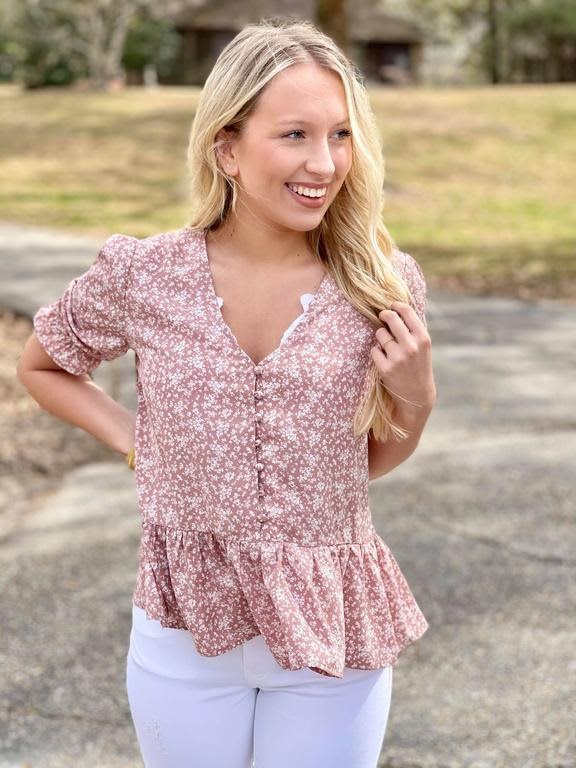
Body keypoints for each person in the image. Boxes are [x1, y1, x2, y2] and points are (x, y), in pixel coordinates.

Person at [16, 17, 436, 768]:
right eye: (295, 135)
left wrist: (417, 397)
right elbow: (44, 364)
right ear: (227, 148)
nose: (326, 162)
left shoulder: (381, 284)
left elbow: (363, 464)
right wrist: (134, 438)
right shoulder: (148, 275)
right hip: (185, 638)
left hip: (330, 641)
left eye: (341, 135)